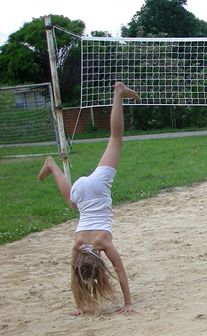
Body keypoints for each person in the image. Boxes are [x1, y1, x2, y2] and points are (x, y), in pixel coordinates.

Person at [37, 82, 138, 316]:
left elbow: (121, 273)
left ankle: (118, 92)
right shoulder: (77, 243)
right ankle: (52, 166)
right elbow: (74, 273)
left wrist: (128, 302)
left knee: (116, 139)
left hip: (93, 189)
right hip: (82, 192)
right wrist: (80, 306)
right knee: (73, 203)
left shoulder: (104, 242)